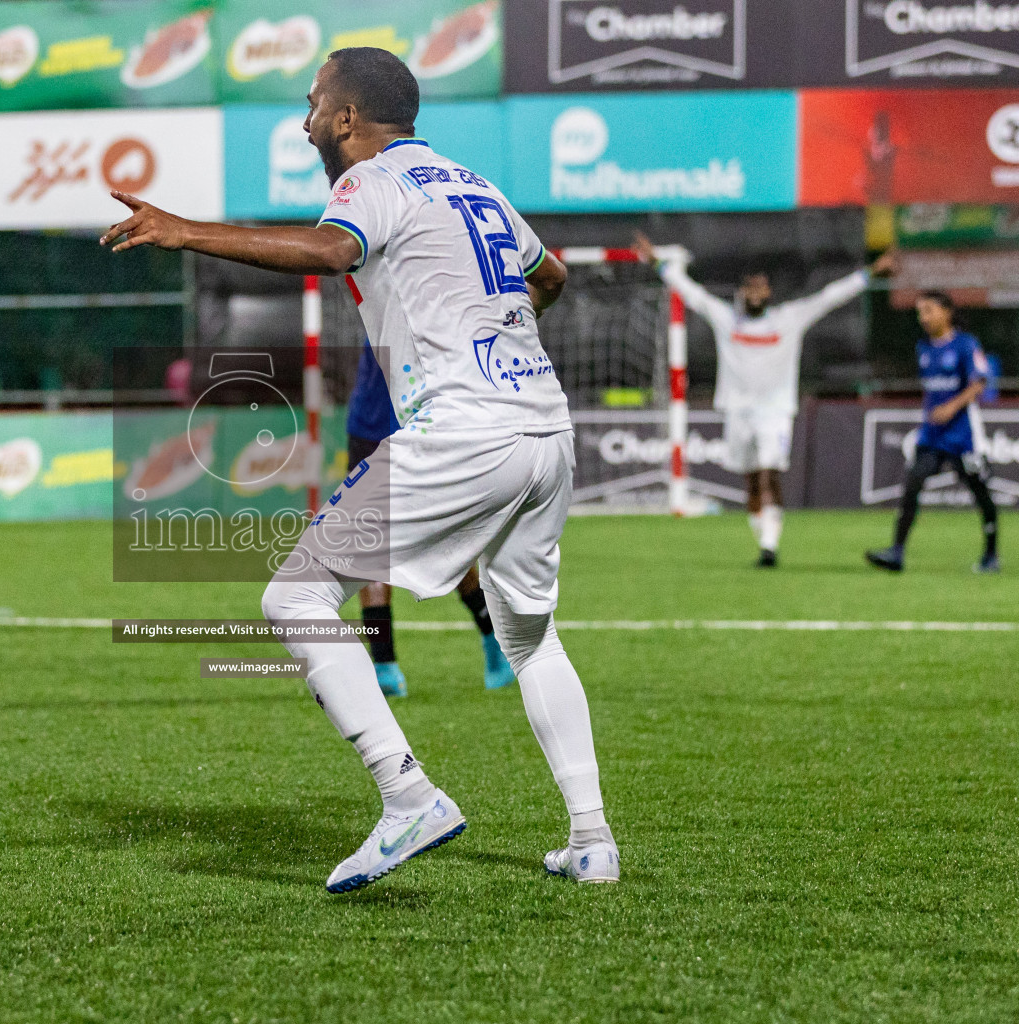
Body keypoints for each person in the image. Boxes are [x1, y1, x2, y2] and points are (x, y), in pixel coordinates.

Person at [102, 47, 619, 889]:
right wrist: (495, 329)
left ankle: (406, 795)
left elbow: (335, 252)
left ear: (348, 119)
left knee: (295, 593)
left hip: (464, 428)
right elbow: (548, 276)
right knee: (533, 639)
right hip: (544, 425)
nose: (305, 118)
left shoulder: (368, 180)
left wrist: (185, 229)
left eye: (314, 102)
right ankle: (592, 840)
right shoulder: (472, 184)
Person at [633, 233, 897, 566]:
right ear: (742, 292)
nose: (756, 293)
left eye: (761, 287)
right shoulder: (727, 319)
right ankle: (764, 538)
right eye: (750, 287)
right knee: (752, 481)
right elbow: (691, 294)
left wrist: (870, 273)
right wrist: (657, 262)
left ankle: (770, 546)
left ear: (769, 293)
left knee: (770, 473)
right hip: (737, 410)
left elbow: (830, 297)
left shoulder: (788, 319)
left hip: (775, 410)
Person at [347, 337, 515, 695]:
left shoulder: (378, 284)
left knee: (424, 544)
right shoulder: (440, 297)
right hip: (402, 425)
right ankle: (387, 665)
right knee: (402, 546)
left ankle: (388, 666)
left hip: (399, 425)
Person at [867, 291, 999, 574]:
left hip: (963, 436)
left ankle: (991, 555)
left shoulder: (966, 344)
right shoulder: (924, 348)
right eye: (919, 313)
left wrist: (951, 408)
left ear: (947, 312)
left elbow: (979, 383)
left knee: (981, 493)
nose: (923, 318)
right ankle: (896, 552)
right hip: (932, 436)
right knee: (912, 485)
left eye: (928, 310)